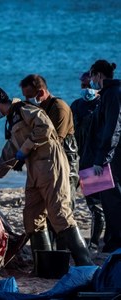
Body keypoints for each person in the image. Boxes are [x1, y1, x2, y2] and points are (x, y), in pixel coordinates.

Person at [0, 87, 92, 267]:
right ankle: (45, 268)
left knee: (60, 216)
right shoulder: (12, 123)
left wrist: (25, 147)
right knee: (32, 218)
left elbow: (45, 127)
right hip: (35, 173)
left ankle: (86, 265)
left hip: (51, 166)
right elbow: (2, 166)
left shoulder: (25, 109)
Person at [20, 74, 79, 211]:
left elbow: (55, 141)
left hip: (66, 161)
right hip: (50, 161)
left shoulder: (59, 108)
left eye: (29, 96)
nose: (27, 101)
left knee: (64, 206)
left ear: (41, 92)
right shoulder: (40, 109)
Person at [87, 59, 121, 252]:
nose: (91, 80)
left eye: (92, 75)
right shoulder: (107, 94)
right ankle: (110, 240)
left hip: (111, 157)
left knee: (112, 200)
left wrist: (101, 159)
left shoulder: (113, 94)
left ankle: (115, 241)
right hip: (106, 155)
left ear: (99, 75)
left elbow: (112, 129)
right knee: (106, 200)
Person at [70, 71, 104, 250]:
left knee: (95, 205)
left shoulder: (102, 105)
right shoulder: (76, 105)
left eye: (89, 85)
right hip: (76, 160)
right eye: (83, 86)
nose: (86, 89)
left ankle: (95, 243)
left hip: (94, 162)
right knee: (67, 202)